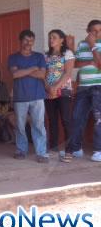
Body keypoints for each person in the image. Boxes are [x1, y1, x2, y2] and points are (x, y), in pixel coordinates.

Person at [8, 30, 49, 163]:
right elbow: (15, 75)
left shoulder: (39, 56)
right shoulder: (13, 57)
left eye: (31, 40)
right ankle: (21, 150)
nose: (28, 43)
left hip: (37, 96)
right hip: (20, 96)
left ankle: (41, 153)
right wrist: (33, 69)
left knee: (38, 124)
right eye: (26, 40)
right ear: (20, 41)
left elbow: (42, 75)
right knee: (20, 125)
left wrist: (23, 71)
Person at [66, 20, 101, 162]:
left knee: (99, 119)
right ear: (88, 31)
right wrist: (88, 62)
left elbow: (100, 64)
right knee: (77, 118)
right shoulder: (81, 44)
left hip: (99, 86)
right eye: (94, 30)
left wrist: (92, 46)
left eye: (100, 30)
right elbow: (76, 64)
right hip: (83, 87)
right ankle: (76, 148)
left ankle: (99, 151)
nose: (97, 33)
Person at [44, 29, 75, 159]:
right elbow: (43, 74)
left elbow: (68, 73)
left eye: (54, 37)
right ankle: (54, 148)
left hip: (63, 91)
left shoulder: (67, 53)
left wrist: (56, 87)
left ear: (62, 40)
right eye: (50, 37)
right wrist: (48, 87)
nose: (51, 40)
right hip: (49, 92)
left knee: (66, 120)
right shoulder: (45, 55)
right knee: (52, 121)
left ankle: (69, 151)